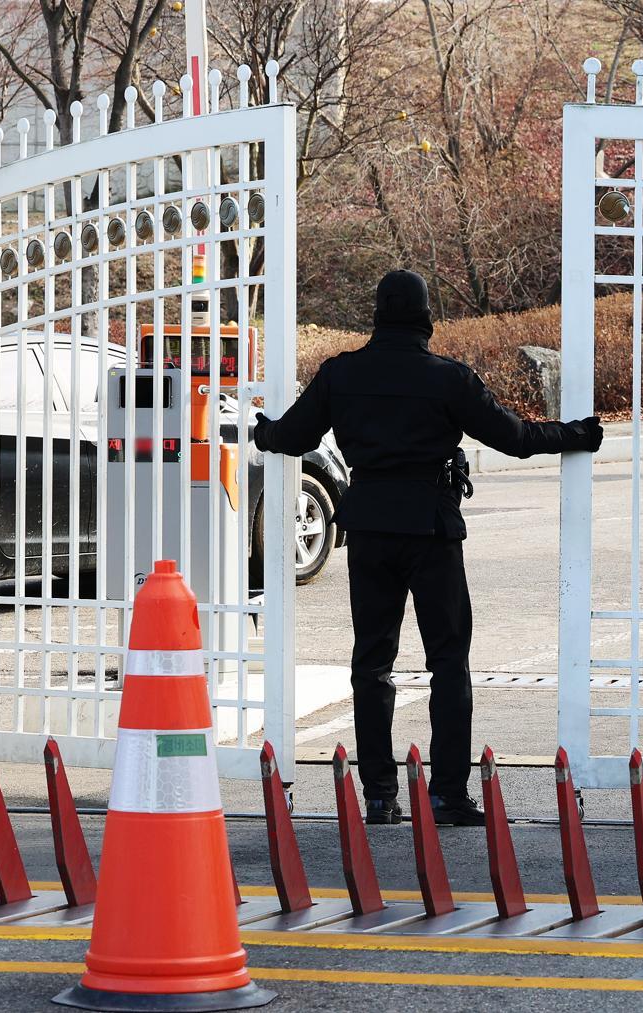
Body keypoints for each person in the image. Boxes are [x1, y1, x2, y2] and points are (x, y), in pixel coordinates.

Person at [252, 269, 604, 826]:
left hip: (368, 530)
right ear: (424, 316)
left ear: (376, 312)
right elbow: (514, 438)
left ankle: (379, 796)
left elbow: (290, 437)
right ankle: (445, 793)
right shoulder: (446, 379)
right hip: (431, 531)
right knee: (448, 662)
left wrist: (262, 431)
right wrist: (578, 435)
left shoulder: (341, 374)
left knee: (371, 664)